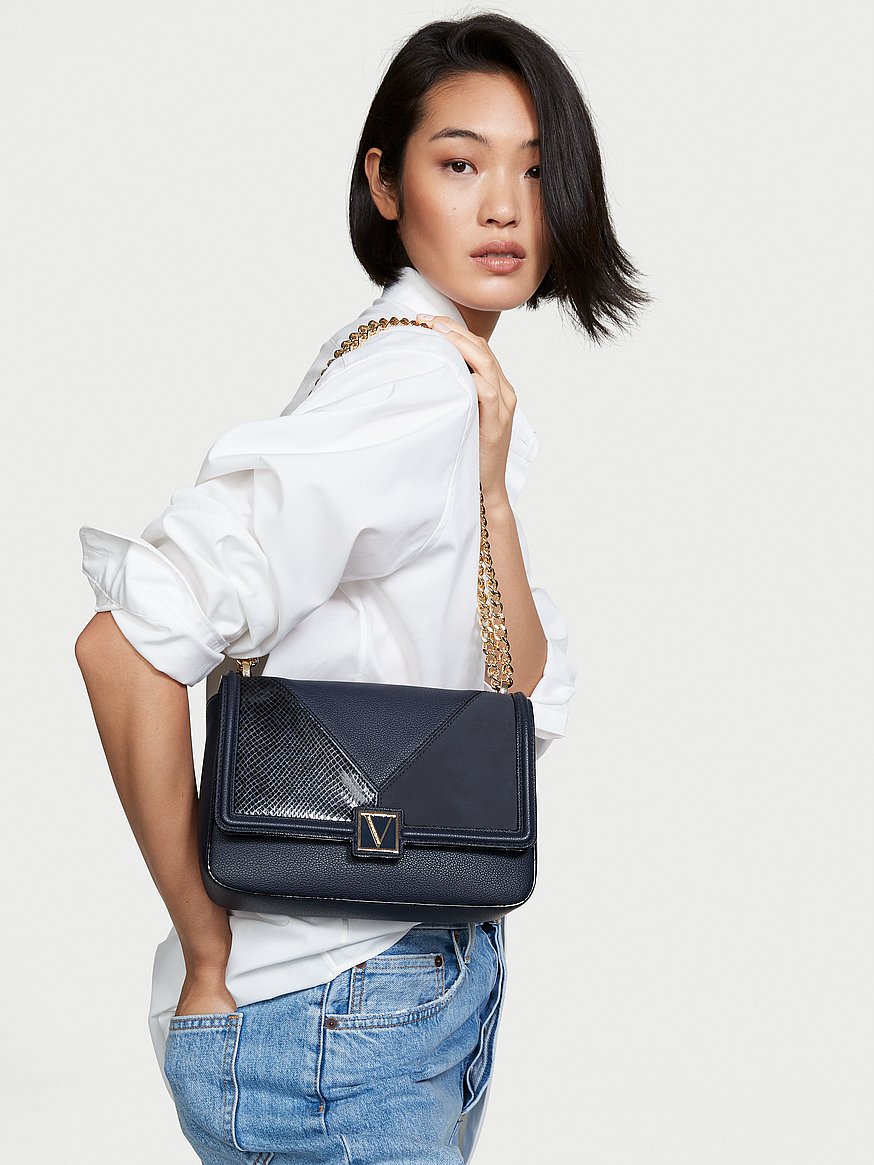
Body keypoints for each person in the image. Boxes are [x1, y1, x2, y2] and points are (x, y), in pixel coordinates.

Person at [75, 12, 648, 1164]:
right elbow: (123, 645)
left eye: (536, 171)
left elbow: (520, 694)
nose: (503, 207)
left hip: (400, 988)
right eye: (459, 163)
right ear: (385, 183)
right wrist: (206, 947)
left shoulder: (447, 388)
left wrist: (490, 497)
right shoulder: (411, 386)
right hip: (336, 1006)